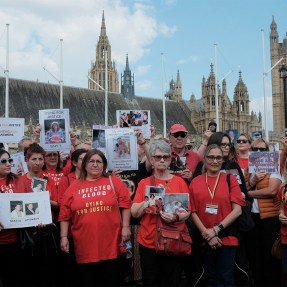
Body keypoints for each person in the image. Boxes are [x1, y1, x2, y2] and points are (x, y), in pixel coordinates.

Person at [59, 149, 131, 287]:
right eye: (91, 161)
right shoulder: (74, 187)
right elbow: (64, 214)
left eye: (99, 161)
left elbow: (125, 203)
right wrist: (63, 237)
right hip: (84, 246)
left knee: (112, 280)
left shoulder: (113, 181)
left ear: (104, 165)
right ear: (84, 165)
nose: (95, 164)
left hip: (111, 245)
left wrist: (126, 227)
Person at [131, 140, 191, 286]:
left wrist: (175, 217)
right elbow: (134, 213)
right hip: (149, 241)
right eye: (158, 157)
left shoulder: (179, 182)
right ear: (151, 160)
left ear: (170, 159)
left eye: (165, 156)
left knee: (173, 281)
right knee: (151, 281)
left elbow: (187, 211)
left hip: (173, 239)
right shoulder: (144, 182)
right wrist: (150, 198)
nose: (162, 160)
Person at [189, 144, 245, 286]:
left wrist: (215, 230)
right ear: (205, 159)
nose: (215, 161)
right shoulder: (195, 182)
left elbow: (237, 210)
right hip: (205, 239)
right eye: (211, 157)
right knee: (210, 279)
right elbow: (192, 211)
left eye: (218, 158)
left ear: (223, 160)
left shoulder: (230, 179)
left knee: (225, 279)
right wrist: (207, 234)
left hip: (227, 237)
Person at [245, 138, 282, 287]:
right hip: (252, 218)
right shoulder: (248, 171)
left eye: (262, 149)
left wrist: (249, 193)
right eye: (255, 150)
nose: (258, 152)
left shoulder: (274, 167)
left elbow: (272, 191)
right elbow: (240, 191)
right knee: (255, 257)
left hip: (270, 218)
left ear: (268, 152)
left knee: (269, 258)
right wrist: (252, 182)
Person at [0, 149, 28, 287]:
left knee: (16, 279)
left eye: (9, 160)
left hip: (16, 240)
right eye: (3, 161)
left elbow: (29, 202)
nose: (8, 164)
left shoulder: (19, 180)